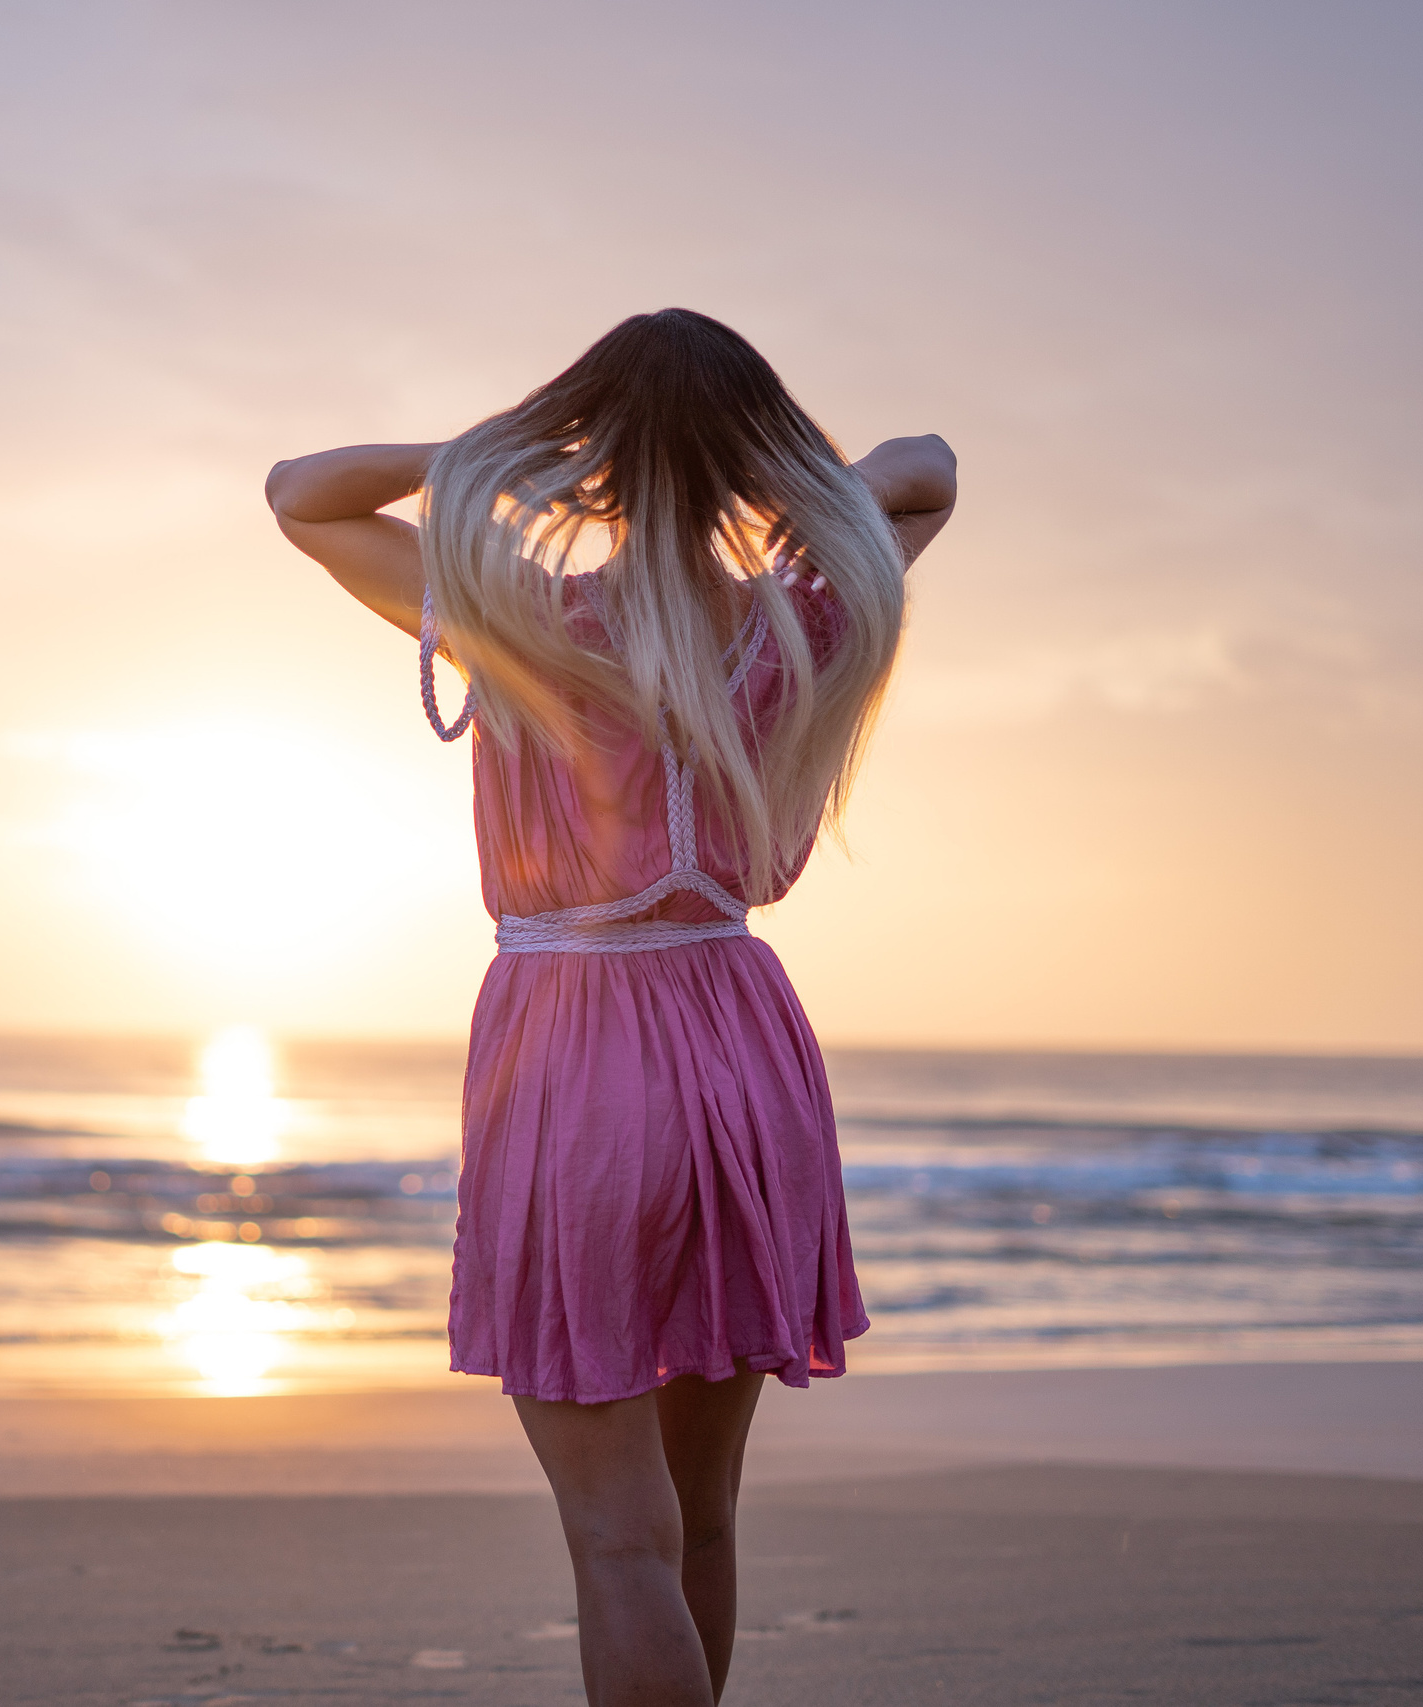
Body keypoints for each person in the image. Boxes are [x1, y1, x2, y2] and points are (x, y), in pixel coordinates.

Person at [265, 308, 956, 1707]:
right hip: (743, 1051)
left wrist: (497, 456)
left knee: (616, 1538)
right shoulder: (802, 611)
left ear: (586, 447)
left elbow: (301, 494)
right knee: (697, 1522)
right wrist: (793, 492)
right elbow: (929, 464)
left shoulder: (527, 616)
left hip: (576, 1055)